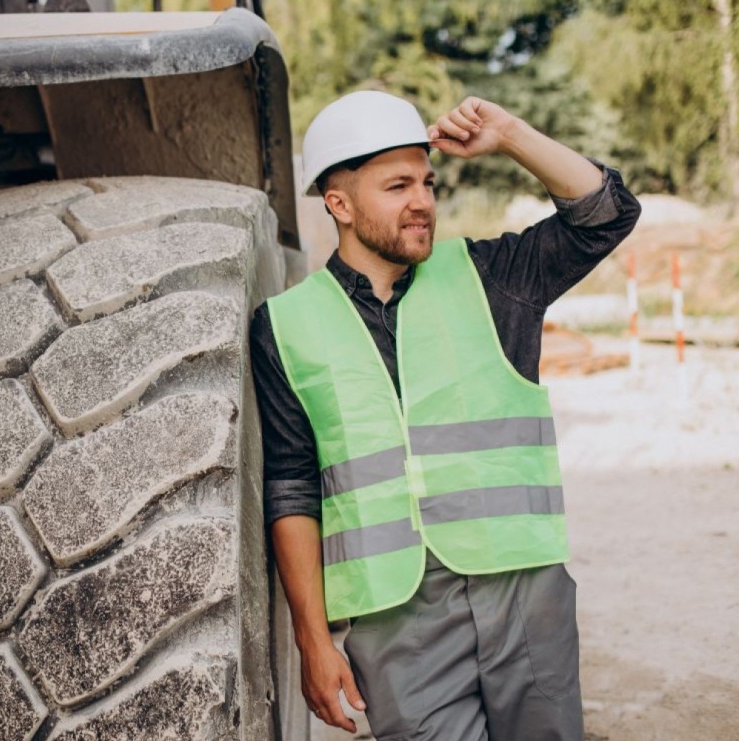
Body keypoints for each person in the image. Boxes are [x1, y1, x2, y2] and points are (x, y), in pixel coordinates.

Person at [250, 90, 641, 740]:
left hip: (522, 590)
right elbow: (291, 488)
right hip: (396, 617)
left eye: (427, 183)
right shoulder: (285, 327)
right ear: (339, 204)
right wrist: (312, 640)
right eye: (397, 184)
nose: (422, 201)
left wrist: (511, 133)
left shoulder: (492, 278)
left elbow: (607, 214)